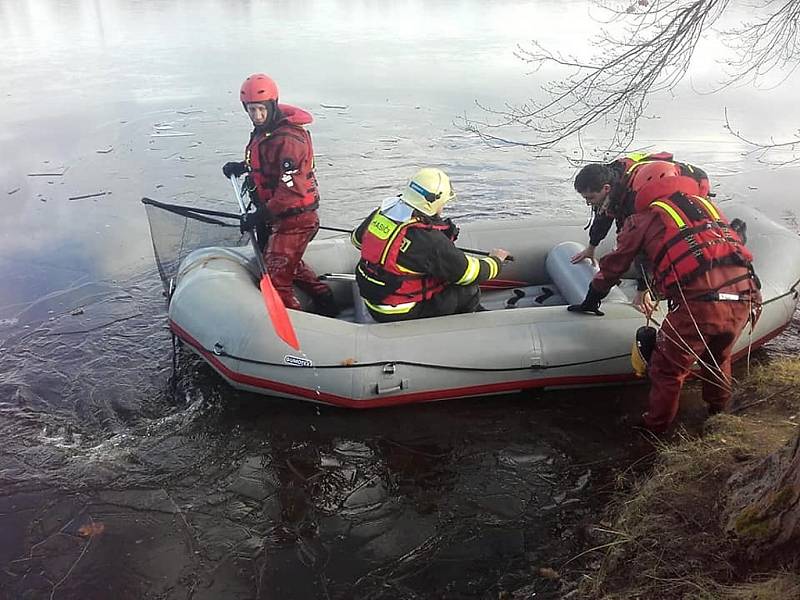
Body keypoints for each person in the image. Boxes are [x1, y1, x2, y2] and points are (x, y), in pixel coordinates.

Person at [567, 162, 761, 433]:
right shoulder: (706, 208)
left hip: (701, 305)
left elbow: (615, 264)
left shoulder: (646, 217)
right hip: (746, 296)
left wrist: (592, 298)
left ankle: (654, 430)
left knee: (666, 369)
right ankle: (719, 415)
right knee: (718, 358)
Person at [222, 73, 338, 316]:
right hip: (280, 216)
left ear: (272, 105)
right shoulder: (266, 131)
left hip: (296, 218)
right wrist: (243, 167)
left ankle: (301, 326)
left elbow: (290, 188)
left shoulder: (289, 139)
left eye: (261, 109)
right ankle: (325, 298)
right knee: (287, 265)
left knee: (276, 281)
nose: (257, 116)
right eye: (252, 110)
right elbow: (266, 166)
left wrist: (260, 215)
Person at [351, 167, 510, 322]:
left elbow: (357, 241)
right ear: (434, 202)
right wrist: (496, 261)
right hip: (401, 311)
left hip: (375, 301)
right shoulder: (430, 240)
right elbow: (469, 274)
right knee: (467, 289)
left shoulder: (383, 212)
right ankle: (473, 327)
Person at [571, 152, 710, 313]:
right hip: (654, 181)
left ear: (606, 189)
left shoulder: (635, 201)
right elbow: (603, 215)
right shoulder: (609, 175)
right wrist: (591, 247)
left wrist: (643, 289)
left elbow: (640, 248)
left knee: (651, 242)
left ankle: (666, 286)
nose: (588, 202)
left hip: (686, 189)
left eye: (591, 198)